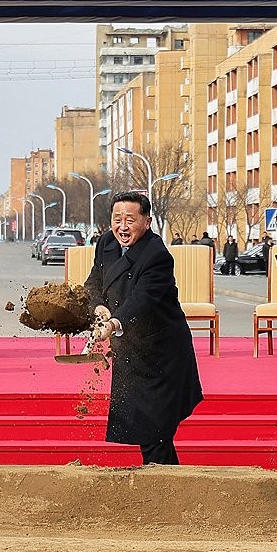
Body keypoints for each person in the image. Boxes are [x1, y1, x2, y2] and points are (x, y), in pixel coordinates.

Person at [88, 192, 202, 465]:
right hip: (131, 349)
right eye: (117, 219)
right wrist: (99, 308)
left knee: (155, 431)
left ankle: (165, 489)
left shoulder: (157, 255)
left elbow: (143, 301)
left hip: (160, 354)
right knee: (150, 434)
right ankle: (167, 485)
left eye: (130, 219)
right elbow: (93, 282)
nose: (122, 227)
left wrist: (114, 322)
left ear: (147, 222)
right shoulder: (106, 243)